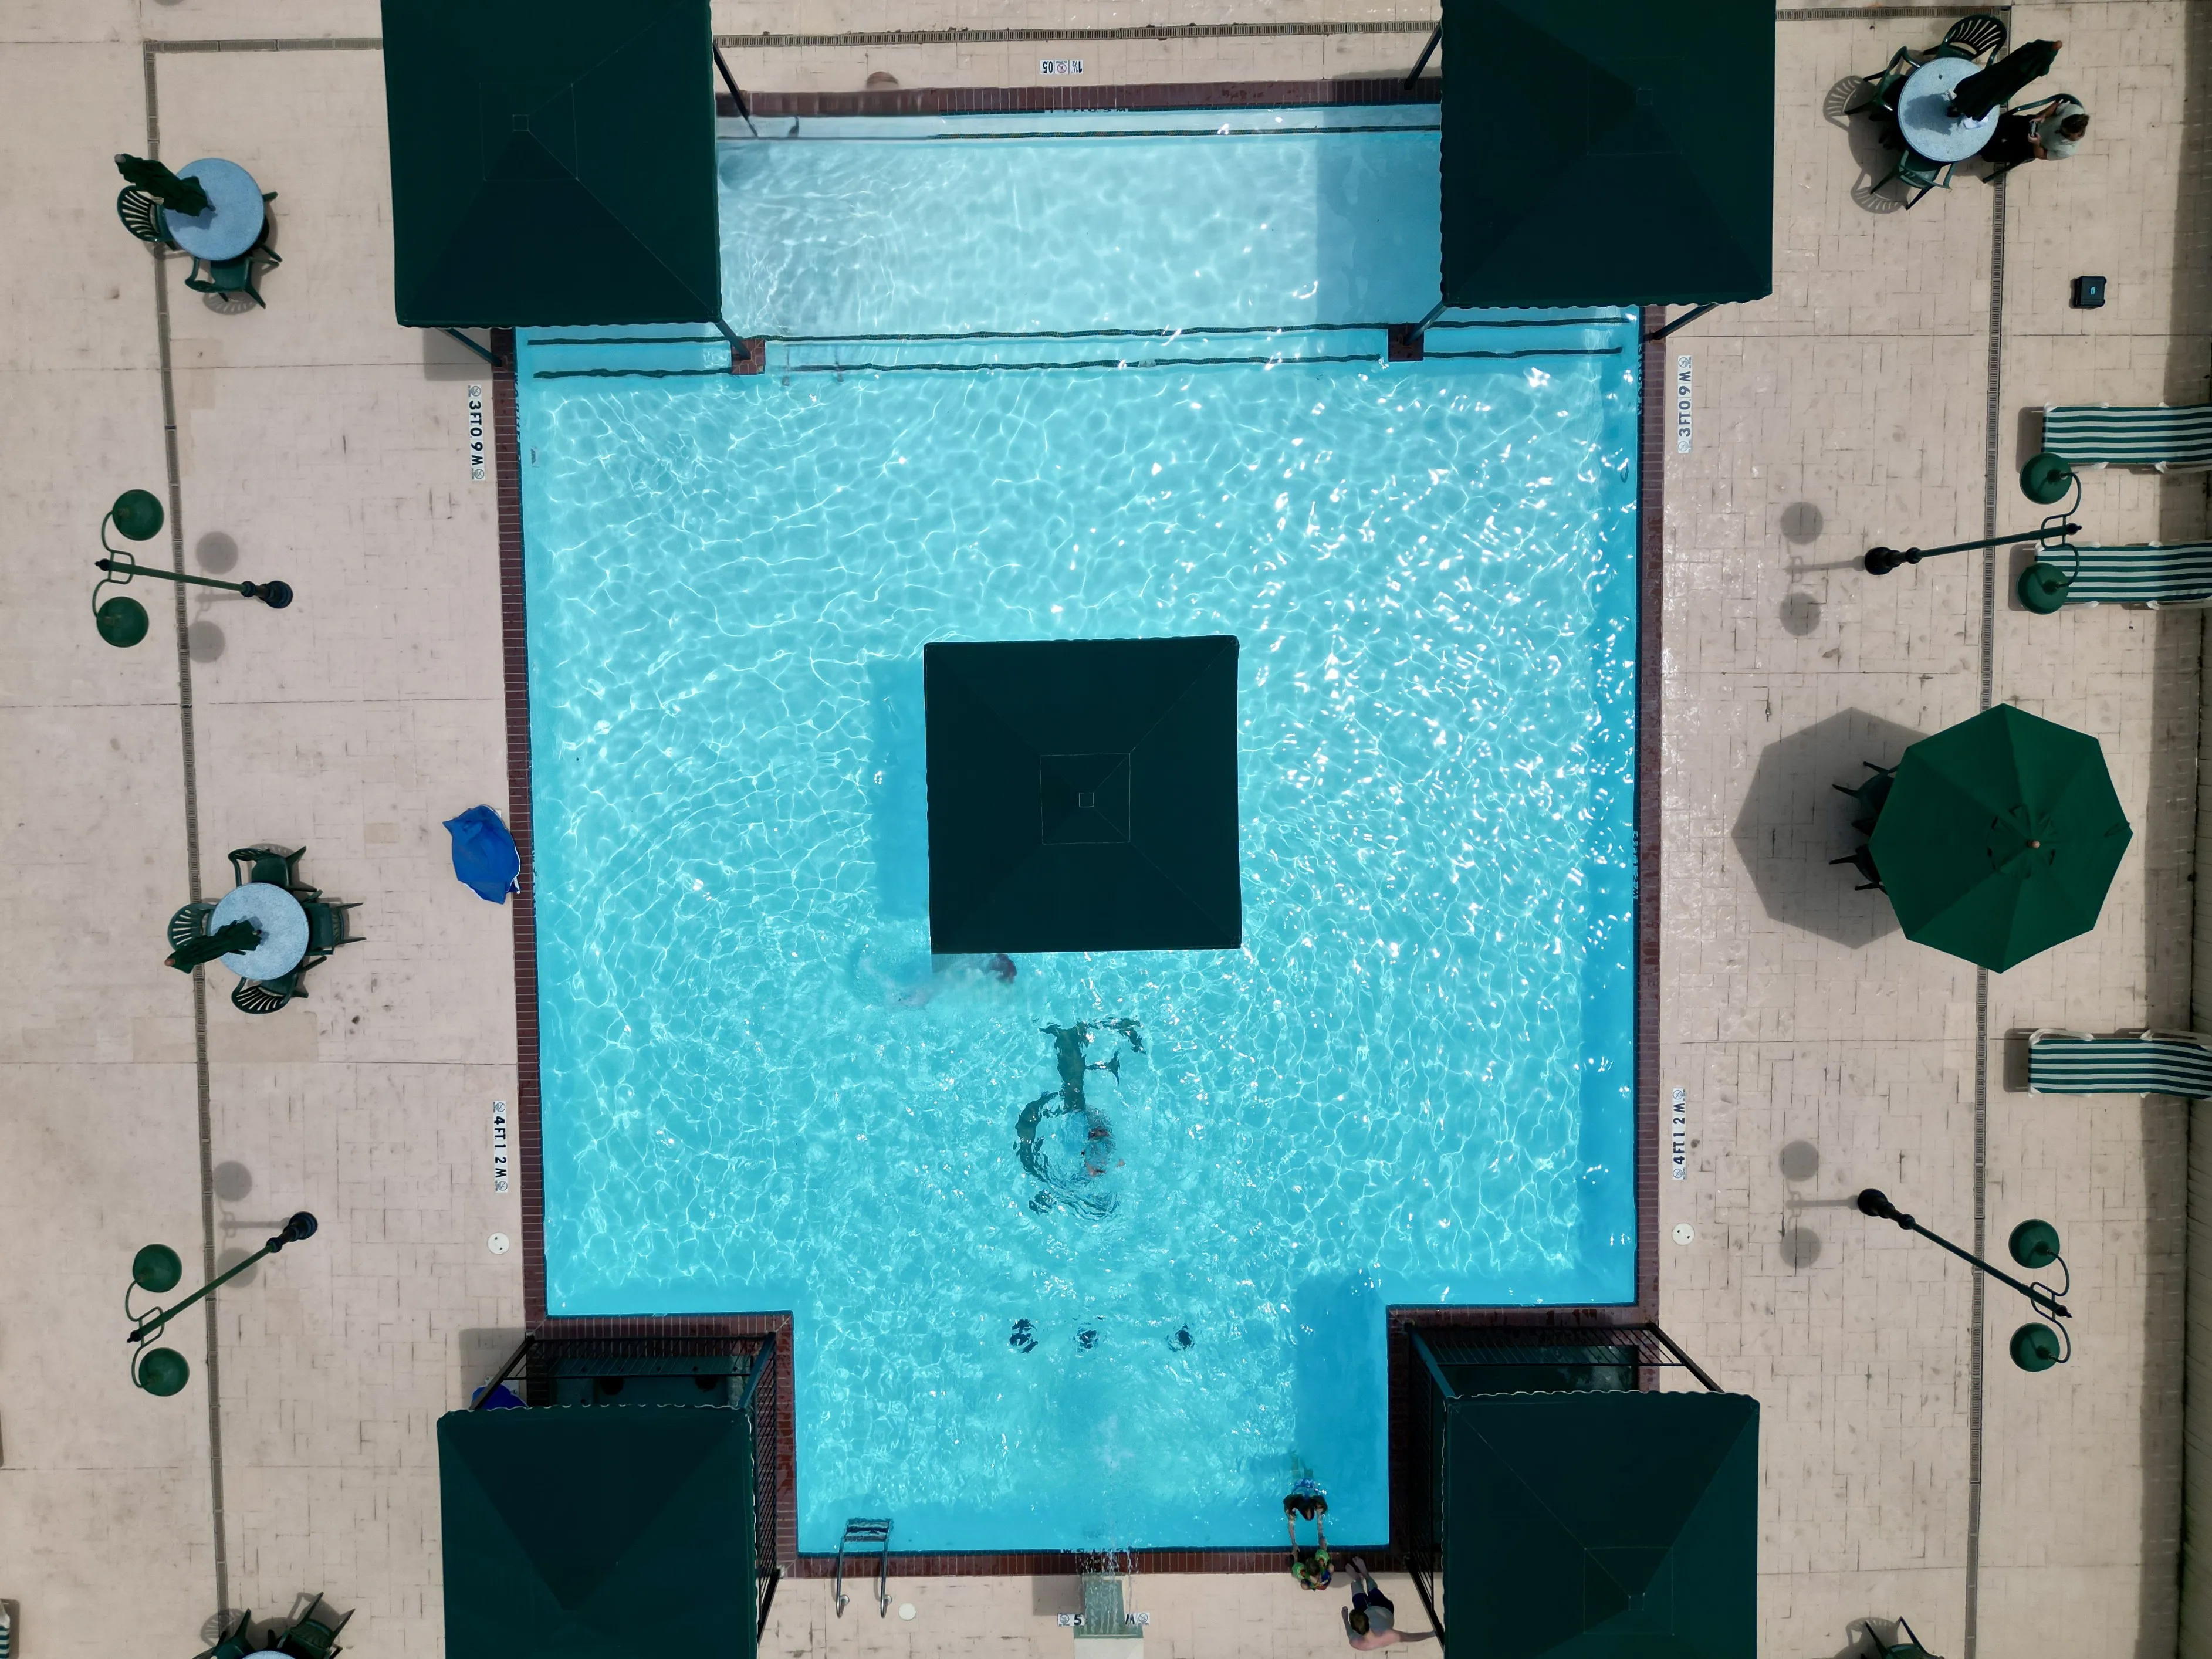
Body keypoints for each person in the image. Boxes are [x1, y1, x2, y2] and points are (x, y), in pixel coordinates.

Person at [1342, 1559, 1435, 1650]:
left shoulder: (1356, 1643)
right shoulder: (1387, 1636)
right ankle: (1366, 1574)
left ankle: (1358, 1580)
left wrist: (1345, 1618)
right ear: (1367, 1619)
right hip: (1383, 1608)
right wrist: (1432, 1634)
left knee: (1354, 1586)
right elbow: (1410, 1637)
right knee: (1371, 1587)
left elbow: (1350, 1634)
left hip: (1366, 1610)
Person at [1980, 94, 2088, 172]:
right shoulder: (2075, 110)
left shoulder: (2067, 151)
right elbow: (2056, 107)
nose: (2059, 130)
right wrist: (2044, 115)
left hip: (2032, 147)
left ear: (2076, 135)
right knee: (1994, 125)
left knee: (1989, 155)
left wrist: (2037, 143)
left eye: (2064, 133)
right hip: (2032, 124)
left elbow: (2041, 155)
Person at [1286, 1479, 1330, 1589]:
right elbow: (1291, 1527)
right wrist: (1294, 1543)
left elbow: (1320, 1525)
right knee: (1297, 1473)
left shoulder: (1318, 1503)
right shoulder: (1293, 1506)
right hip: (1298, 1486)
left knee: (1307, 1475)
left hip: (1310, 1487)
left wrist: (1321, 1536)